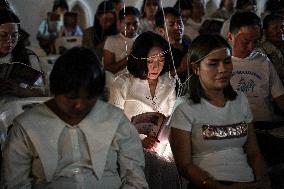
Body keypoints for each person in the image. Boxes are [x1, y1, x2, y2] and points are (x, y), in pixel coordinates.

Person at [1, 47, 148, 188]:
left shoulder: (116, 121)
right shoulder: (27, 127)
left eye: (88, 98)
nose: (79, 106)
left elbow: (135, 178)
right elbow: (15, 183)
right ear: (55, 91)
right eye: (71, 97)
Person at [170, 34, 270, 189]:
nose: (222, 69)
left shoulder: (240, 100)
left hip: (246, 181)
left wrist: (263, 181)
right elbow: (184, 165)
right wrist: (218, 187)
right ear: (196, 68)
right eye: (213, 64)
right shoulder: (184, 107)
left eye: (227, 61)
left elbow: (254, 152)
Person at [109, 31, 180, 189]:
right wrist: (139, 140)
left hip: (162, 149)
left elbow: (172, 117)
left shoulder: (167, 83)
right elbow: (113, 122)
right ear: (140, 60)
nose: (156, 66)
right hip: (130, 149)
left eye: (161, 60)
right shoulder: (123, 83)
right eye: (151, 61)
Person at [228, 11, 284, 122]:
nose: (251, 47)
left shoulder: (263, 61)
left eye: (255, 42)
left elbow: (280, 96)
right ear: (230, 37)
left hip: (264, 124)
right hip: (234, 127)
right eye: (245, 42)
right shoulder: (222, 62)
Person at [0, 9, 45, 100]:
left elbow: (42, 92)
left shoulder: (29, 57)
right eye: (3, 35)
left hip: (18, 109)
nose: (9, 40)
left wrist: (19, 90)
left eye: (14, 35)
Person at [155, 7, 189, 84]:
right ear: (161, 31)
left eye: (180, 23)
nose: (178, 27)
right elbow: (156, 81)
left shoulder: (189, 45)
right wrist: (180, 69)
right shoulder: (158, 52)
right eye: (171, 24)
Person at [103, 6, 140, 75]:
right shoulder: (111, 41)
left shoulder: (143, 40)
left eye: (135, 23)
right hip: (116, 82)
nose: (132, 27)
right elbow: (107, 69)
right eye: (128, 24)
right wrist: (129, 59)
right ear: (120, 23)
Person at [256, 14, 284, 85]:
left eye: (282, 27)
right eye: (275, 28)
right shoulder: (260, 52)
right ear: (265, 31)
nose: (280, 31)